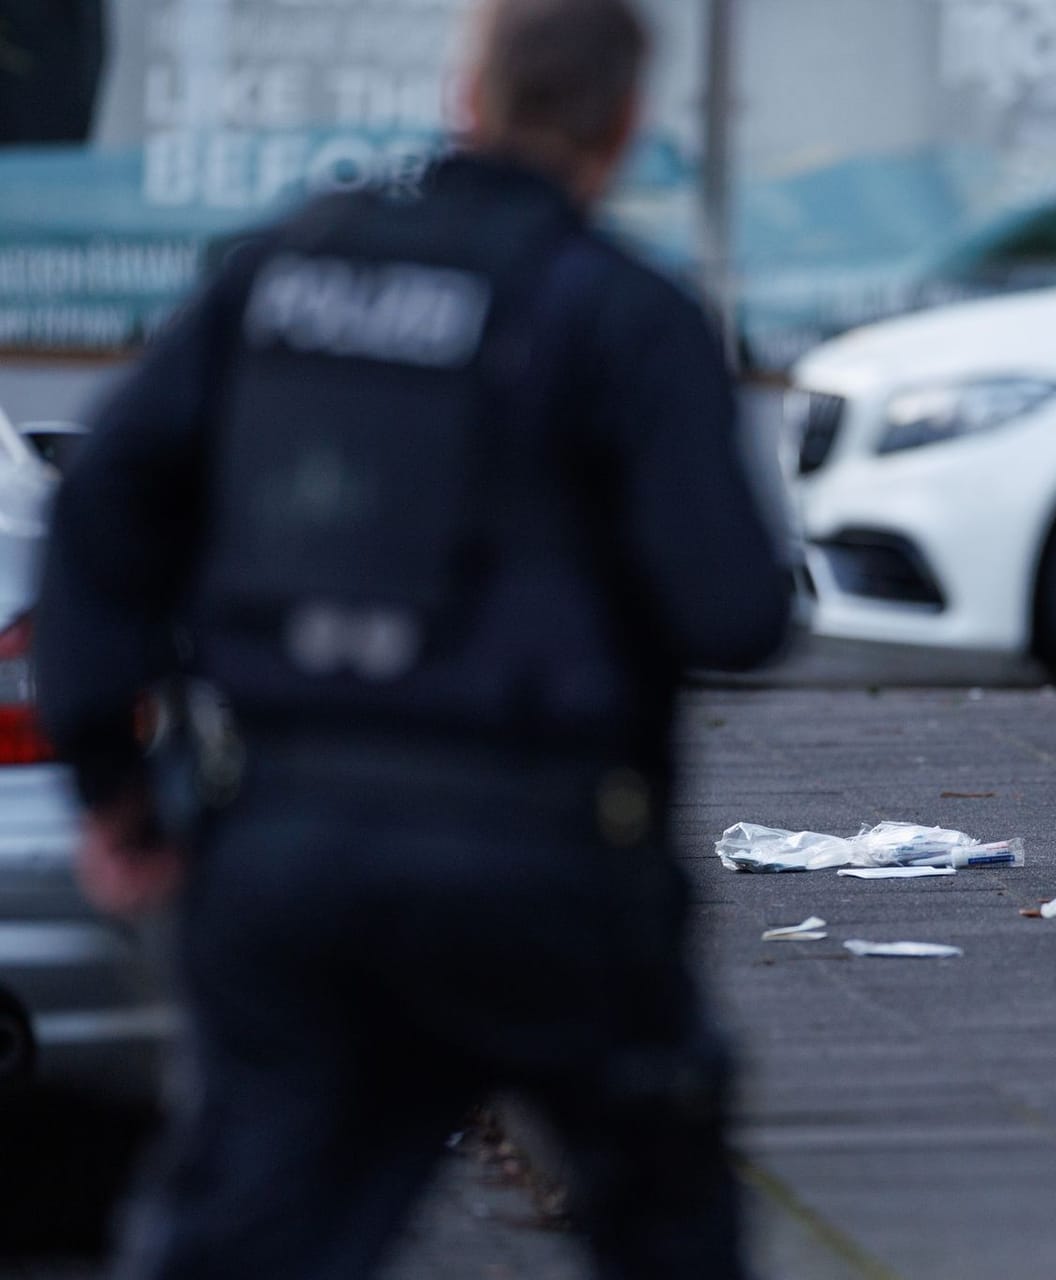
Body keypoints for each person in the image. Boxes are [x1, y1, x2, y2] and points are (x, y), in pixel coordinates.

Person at [33, 0, 791, 1275]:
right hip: (544, 864)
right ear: (620, 126)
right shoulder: (624, 314)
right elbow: (735, 612)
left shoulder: (282, 274)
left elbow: (104, 508)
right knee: (665, 1209)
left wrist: (113, 783)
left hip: (284, 847)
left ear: (464, 98)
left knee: (255, 1218)